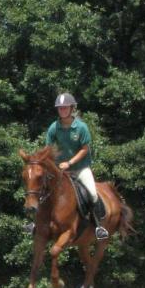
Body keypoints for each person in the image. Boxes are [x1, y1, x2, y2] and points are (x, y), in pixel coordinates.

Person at [46, 92, 109, 240]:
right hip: (60, 170)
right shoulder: (53, 127)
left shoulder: (81, 127)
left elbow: (85, 149)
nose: (62, 110)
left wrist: (69, 163)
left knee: (93, 193)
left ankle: (99, 226)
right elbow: (48, 149)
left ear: (71, 108)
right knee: (41, 189)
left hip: (80, 168)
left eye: (65, 108)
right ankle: (36, 224)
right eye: (60, 108)